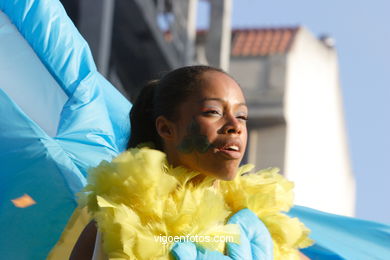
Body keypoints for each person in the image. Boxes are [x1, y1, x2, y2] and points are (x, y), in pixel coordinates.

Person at [70, 65, 312, 259]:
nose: (235, 126)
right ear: (166, 128)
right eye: (213, 112)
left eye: (242, 116)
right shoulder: (117, 223)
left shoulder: (261, 232)